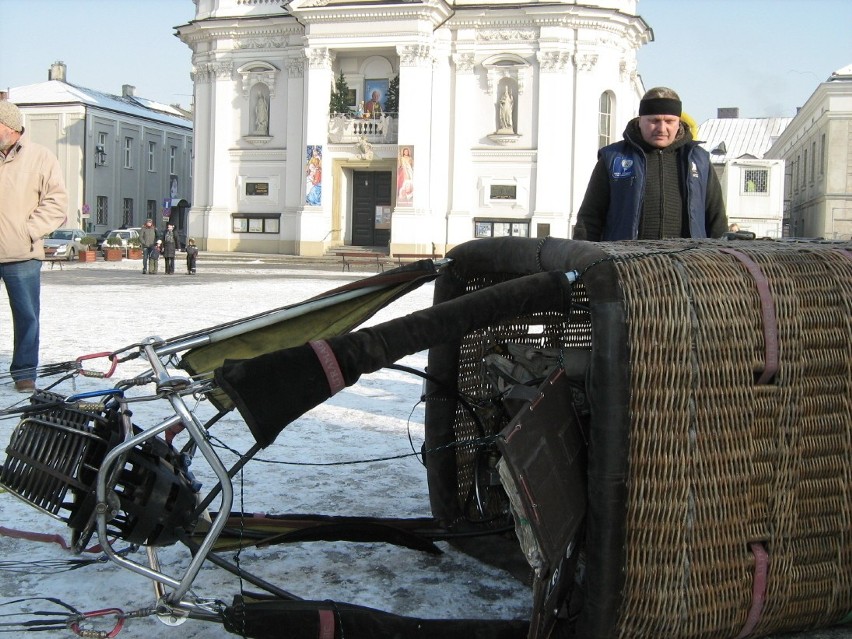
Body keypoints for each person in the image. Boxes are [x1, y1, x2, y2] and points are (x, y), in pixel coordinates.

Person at [573, 87, 727, 242]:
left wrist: (723, 260)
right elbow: (590, 217)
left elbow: (716, 219)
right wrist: (581, 259)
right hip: (625, 261)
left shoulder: (699, 160)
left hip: (687, 262)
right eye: (654, 121)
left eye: (669, 121)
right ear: (640, 120)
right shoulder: (613, 158)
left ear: (679, 122)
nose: (661, 128)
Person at [0, 100, 68, 393]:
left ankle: (25, 372)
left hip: (23, 254)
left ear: (11, 128)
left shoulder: (41, 158)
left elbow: (57, 203)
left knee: (27, 315)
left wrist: (29, 231)